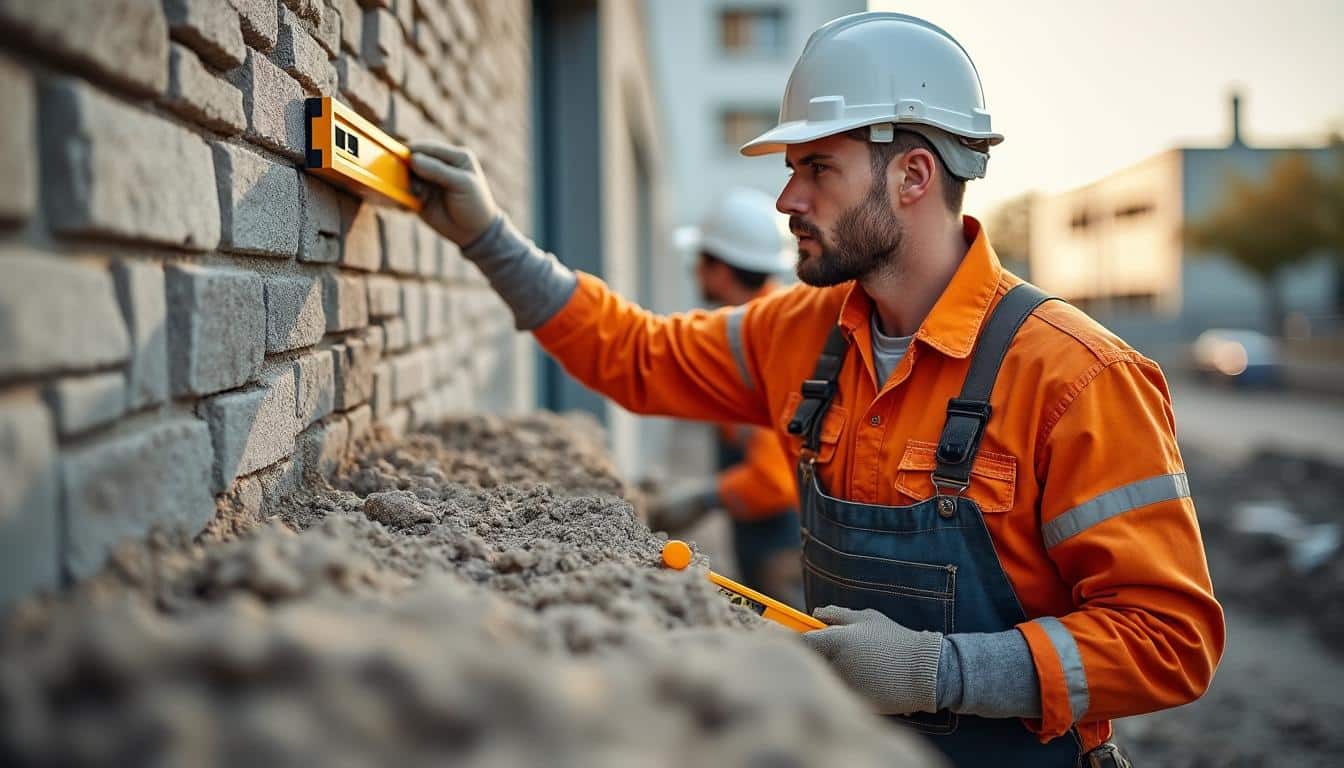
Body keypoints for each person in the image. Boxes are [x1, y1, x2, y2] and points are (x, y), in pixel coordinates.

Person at [407, 12, 1223, 766]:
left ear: (912, 175)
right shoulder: (797, 332)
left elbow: (1169, 640)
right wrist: (489, 240)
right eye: (794, 169)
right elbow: (636, 353)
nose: (787, 200)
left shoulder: (1078, 376)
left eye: (817, 168)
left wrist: (939, 671)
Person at [646, 187, 803, 602]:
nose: (694, 271)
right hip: (763, 535)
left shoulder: (772, 340)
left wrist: (705, 497)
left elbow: (774, 480)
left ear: (721, 269)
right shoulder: (751, 327)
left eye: (700, 260)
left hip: (783, 545)